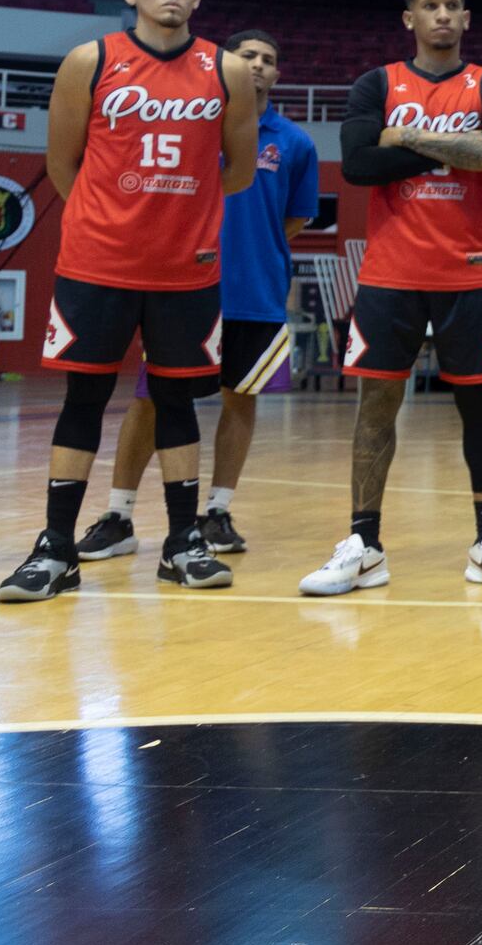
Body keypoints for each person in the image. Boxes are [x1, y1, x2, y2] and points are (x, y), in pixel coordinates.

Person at [1, 0, 259, 601]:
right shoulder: (90, 61)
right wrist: (113, 213)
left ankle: (182, 540)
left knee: (177, 401)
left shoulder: (227, 69)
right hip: (97, 262)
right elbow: (65, 164)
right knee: (82, 399)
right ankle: (56, 544)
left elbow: (239, 170)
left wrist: (179, 208)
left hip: (186, 268)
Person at [299, 0, 482, 595]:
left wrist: (407, 137)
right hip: (390, 272)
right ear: (410, 19)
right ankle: (364, 545)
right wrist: (458, 145)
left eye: (453, 5)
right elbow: (360, 164)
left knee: (479, 406)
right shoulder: (377, 83)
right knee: (375, 407)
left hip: (471, 269)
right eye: (430, 5)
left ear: (467, 17)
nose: (443, 15)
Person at [79, 30, 317, 563]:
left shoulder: (296, 143)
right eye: (247, 56)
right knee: (151, 400)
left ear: (277, 75)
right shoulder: (189, 123)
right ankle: (119, 515)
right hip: (183, 285)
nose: (258, 65)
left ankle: (218, 511)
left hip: (256, 292)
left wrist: (251, 245)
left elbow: (295, 219)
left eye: (269, 59)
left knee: (241, 398)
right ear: (225, 65)